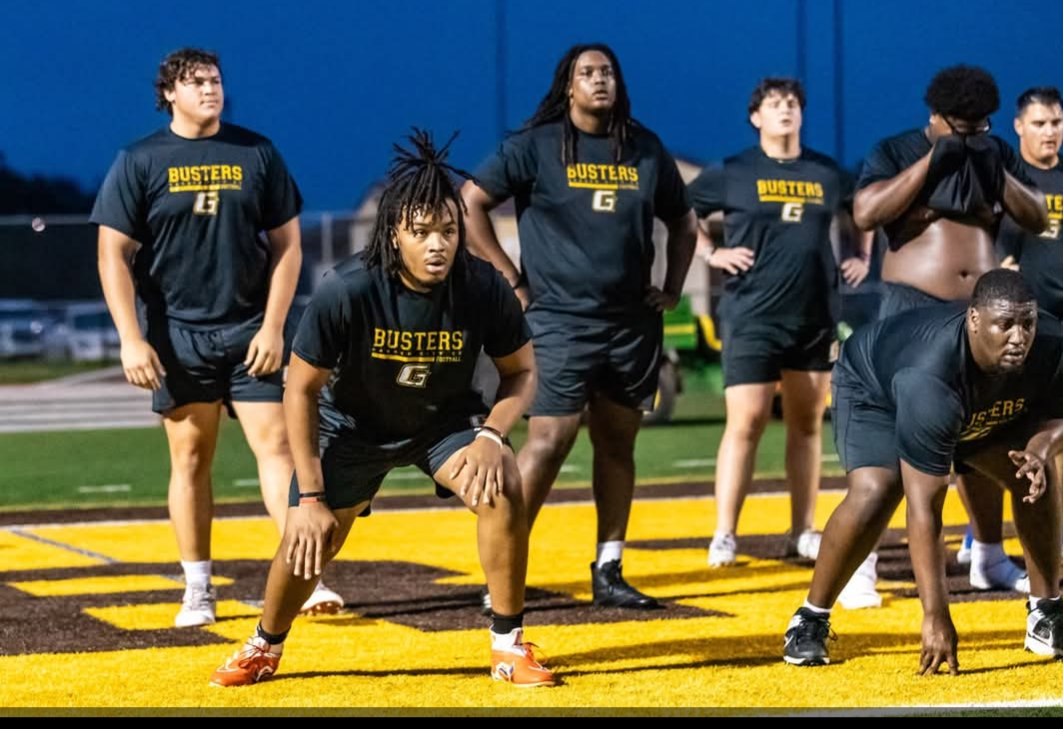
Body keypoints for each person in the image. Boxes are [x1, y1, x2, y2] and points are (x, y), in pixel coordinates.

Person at [210, 130, 554, 688]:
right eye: (422, 232)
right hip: (353, 427)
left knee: (504, 483)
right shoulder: (347, 288)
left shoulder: (482, 285)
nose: (437, 244)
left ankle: (508, 646)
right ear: (395, 234)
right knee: (309, 538)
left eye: (447, 230)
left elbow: (521, 373)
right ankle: (263, 644)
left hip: (443, 423)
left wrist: (492, 436)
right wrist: (311, 496)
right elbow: (299, 390)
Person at [92, 48, 342, 628]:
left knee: (279, 447)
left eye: (216, 80)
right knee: (191, 457)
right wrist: (131, 339)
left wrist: (277, 326)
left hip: (250, 329)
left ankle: (307, 576)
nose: (210, 89)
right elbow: (112, 254)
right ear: (169, 93)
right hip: (178, 335)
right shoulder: (139, 160)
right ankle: (198, 589)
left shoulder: (256, 151)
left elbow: (288, 246)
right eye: (197, 81)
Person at [461, 44, 697, 609]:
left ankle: (609, 568)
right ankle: (505, 565)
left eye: (607, 72)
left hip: (631, 325)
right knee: (548, 439)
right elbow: (470, 204)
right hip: (559, 321)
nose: (599, 81)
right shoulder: (535, 145)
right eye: (586, 73)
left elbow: (683, 222)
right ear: (567, 85)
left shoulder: (643, 147)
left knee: (618, 443)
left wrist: (671, 286)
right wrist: (512, 282)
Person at [783, 270, 1063, 673]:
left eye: (1027, 323)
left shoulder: (1051, 342)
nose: (1019, 337)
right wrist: (935, 615)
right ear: (974, 321)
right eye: (1005, 325)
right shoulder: (928, 376)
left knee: (1032, 474)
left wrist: (1040, 448)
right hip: (875, 388)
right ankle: (810, 619)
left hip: (970, 400)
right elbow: (925, 509)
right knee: (878, 490)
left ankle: (1046, 613)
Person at [848, 65, 1048, 604]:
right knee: (895, 440)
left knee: (983, 429)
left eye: (978, 127)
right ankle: (860, 566)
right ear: (935, 116)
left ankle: (987, 554)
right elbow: (866, 213)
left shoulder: (994, 152)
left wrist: (993, 165)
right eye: (960, 126)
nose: (968, 135)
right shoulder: (896, 149)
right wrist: (931, 161)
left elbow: (1036, 213)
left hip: (974, 312)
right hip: (909, 307)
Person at [689, 78, 866, 568]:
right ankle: (725, 532)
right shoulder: (734, 171)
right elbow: (684, 211)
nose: (785, 110)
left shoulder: (827, 171)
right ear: (756, 117)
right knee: (745, 421)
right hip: (751, 314)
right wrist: (712, 251)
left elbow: (862, 211)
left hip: (813, 313)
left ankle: (802, 530)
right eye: (774, 104)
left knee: (807, 424)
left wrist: (861, 254)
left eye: (792, 103)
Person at [998, 87, 1063, 311]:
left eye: (1056, 123)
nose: (1050, 132)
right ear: (1019, 126)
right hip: (1024, 312)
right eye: (1039, 124)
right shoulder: (1003, 179)